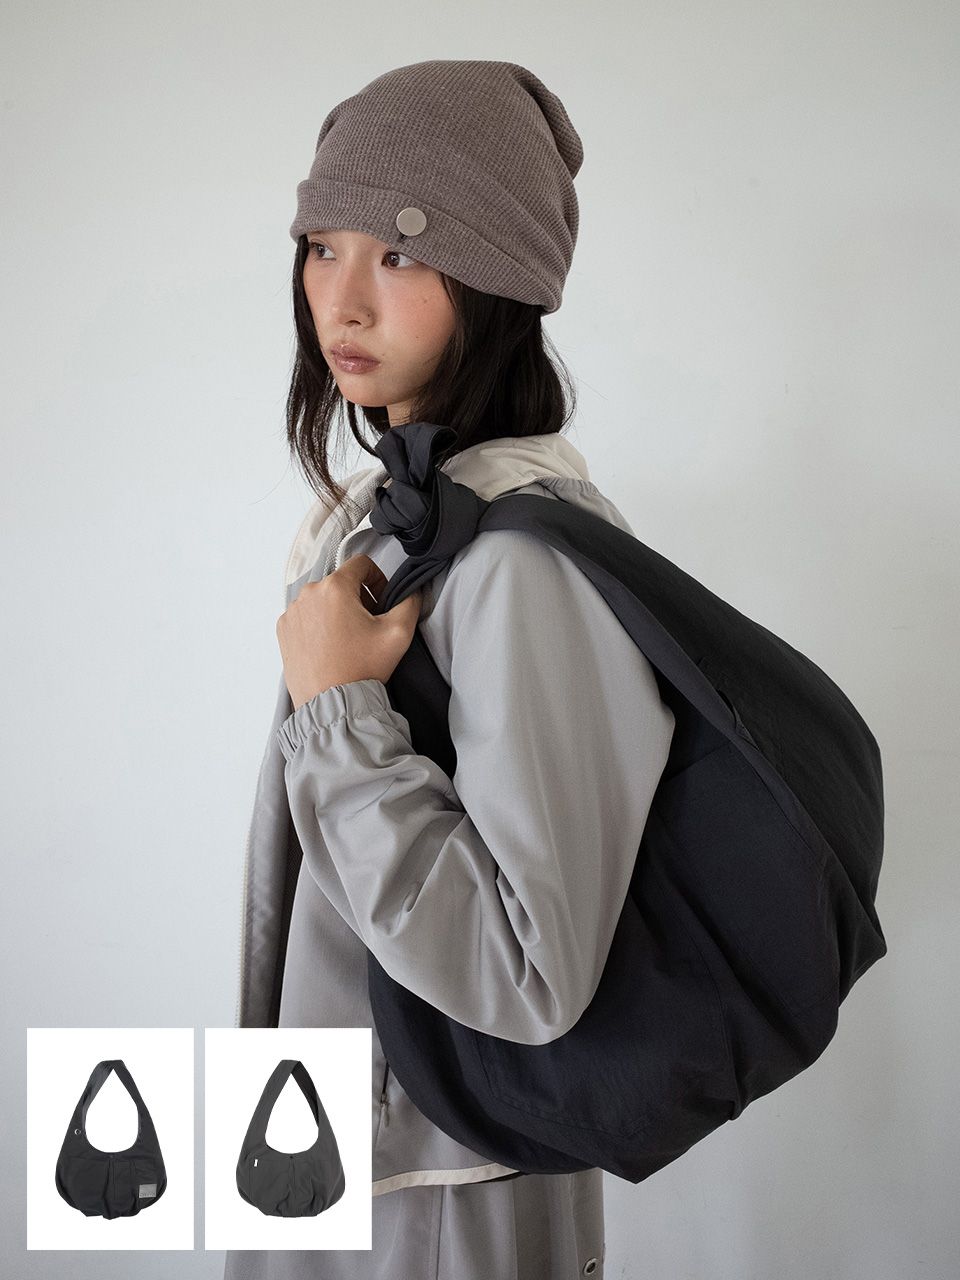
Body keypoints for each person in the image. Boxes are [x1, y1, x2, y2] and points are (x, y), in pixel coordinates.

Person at [225, 59, 676, 1280]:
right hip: (345, 1155)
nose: (343, 300)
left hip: (439, 1202)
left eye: (401, 253)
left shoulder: (524, 560)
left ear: (497, 279)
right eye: (323, 246)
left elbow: (530, 973)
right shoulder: (390, 527)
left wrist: (337, 711)